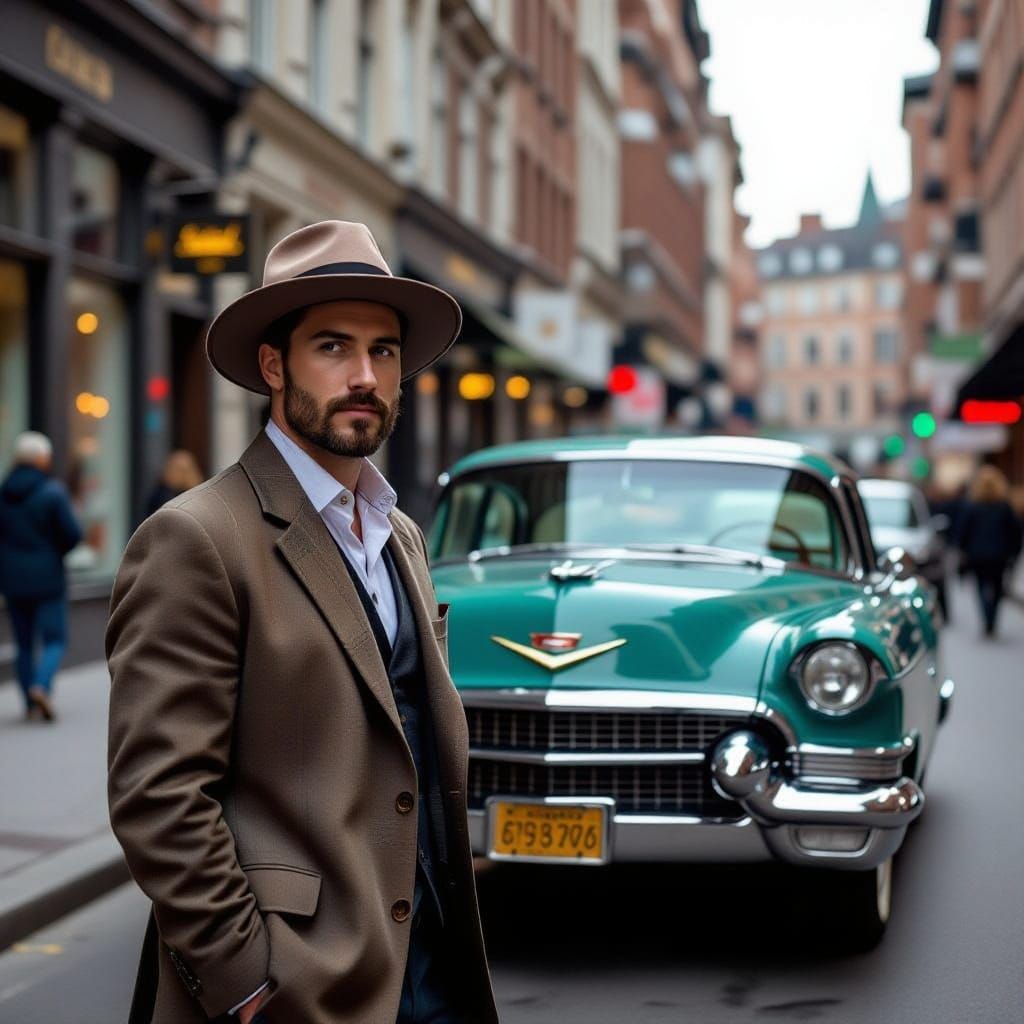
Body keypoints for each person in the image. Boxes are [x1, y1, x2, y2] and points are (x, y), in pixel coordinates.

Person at [106, 221, 498, 1024]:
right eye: (333, 346)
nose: (364, 376)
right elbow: (160, 795)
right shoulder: (198, 537)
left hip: (430, 967)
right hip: (297, 988)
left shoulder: (403, 535)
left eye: (383, 351)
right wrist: (245, 984)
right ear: (274, 365)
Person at [0, 432, 83, 721]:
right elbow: (72, 534)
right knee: (54, 638)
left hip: (12, 579)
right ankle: (41, 685)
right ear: (40, 459)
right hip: (47, 578)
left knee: (23, 643)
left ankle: (29, 703)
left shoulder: (4, 492)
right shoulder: (52, 492)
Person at [955, 464, 1022, 637]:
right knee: (997, 587)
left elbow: (963, 532)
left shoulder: (972, 506)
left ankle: (987, 618)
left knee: (981, 587)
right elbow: (1015, 531)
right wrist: (1013, 552)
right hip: (999, 555)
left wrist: (962, 550)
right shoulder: (1003, 506)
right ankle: (991, 620)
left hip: (977, 555)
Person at [145, 449, 204, 517]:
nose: (170, 472)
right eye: (169, 467)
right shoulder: (159, 494)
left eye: (177, 469)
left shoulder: (196, 498)